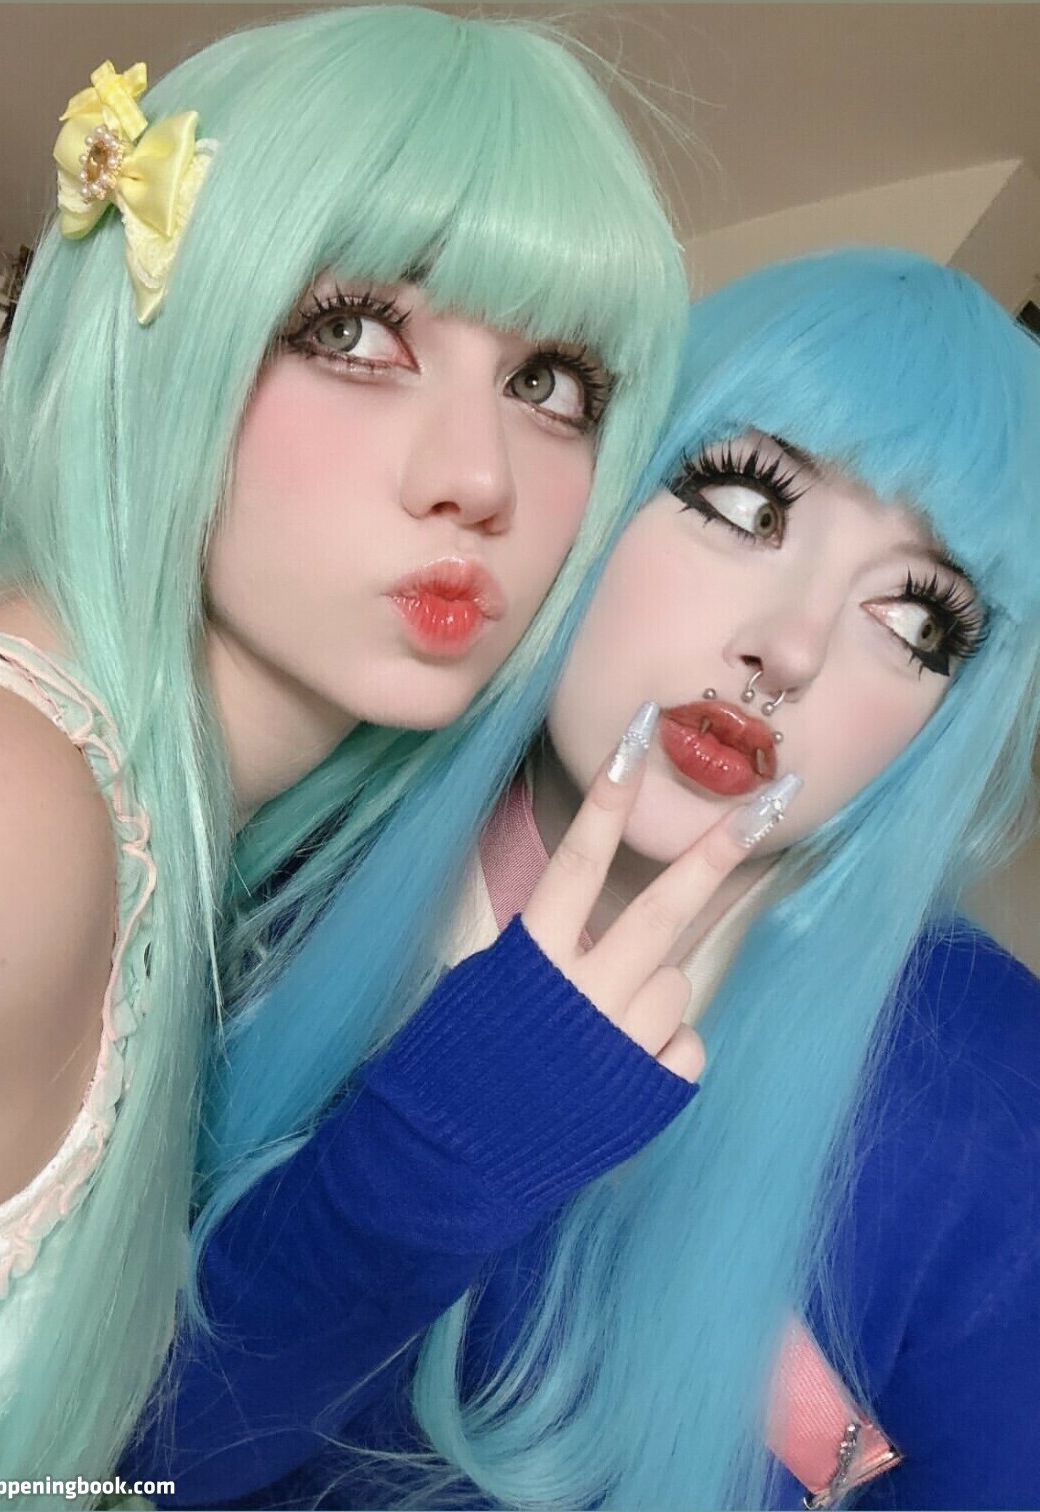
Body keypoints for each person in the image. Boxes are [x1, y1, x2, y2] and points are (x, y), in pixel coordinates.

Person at [125, 249, 1040, 1510]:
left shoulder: (993, 1096)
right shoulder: (254, 856)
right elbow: (60, 1472)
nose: (787, 648)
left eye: (915, 621)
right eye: (742, 507)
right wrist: (427, 1167)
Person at [0, 8, 690, 1500]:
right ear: (160, 338)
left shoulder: (155, 830)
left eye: (550, 383)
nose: (477, 478)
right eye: (353, 333)